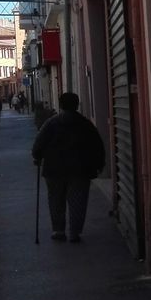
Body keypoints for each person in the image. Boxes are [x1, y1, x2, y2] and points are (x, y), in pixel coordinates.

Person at [32, 92, 106, 243]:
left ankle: (58, 230)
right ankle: (74, 232)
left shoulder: (51, 123)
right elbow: (97, 145)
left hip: (54, 169)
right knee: (78, 201)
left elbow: (38, 143)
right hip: (79, 169)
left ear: (60, 105)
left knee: (55, 199)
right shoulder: (85, 123)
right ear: (77, 105)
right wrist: (99, 164)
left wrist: (37, 156)